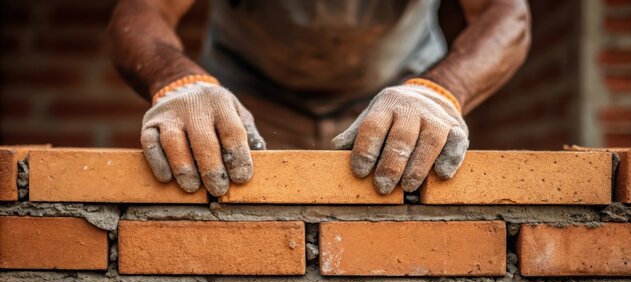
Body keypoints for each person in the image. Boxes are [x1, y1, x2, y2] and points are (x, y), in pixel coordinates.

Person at [107, 0, 531, 196]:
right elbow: (144, 9)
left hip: (403, 106)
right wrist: (177, 81)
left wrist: (441, 91)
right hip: (241, 111)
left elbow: (505, 11)